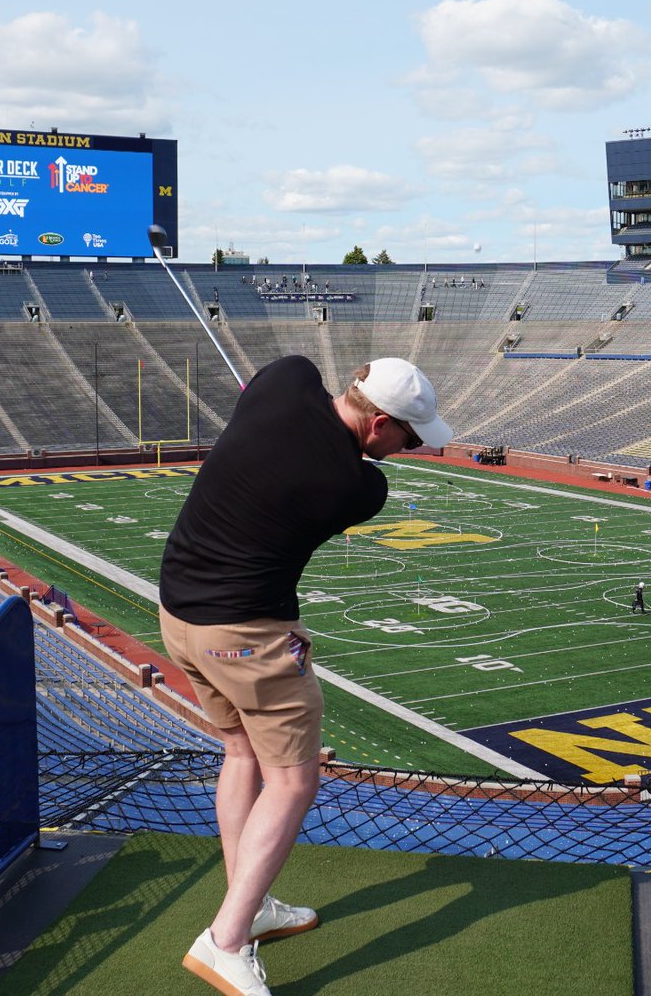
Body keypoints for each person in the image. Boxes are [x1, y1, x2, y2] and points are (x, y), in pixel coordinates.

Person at [159, 354, 452, 996]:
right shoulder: (360, 488)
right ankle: (226, 940)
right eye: (406, 437)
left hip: (178, 615)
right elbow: (331, 453)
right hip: (246, 636)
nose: (405, 451)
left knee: (240, 753)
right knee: (292, 781)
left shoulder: (285, 381)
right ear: (377, 424)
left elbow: (287, 372)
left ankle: (251, 905)